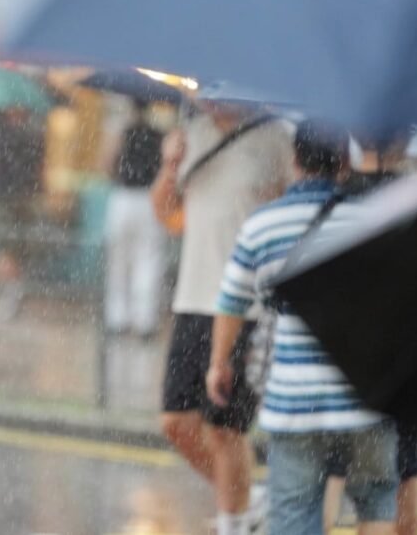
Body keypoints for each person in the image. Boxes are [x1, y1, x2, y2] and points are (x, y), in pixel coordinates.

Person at [208, 119, 399, 535]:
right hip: (366, 395)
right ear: (345, 164)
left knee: (294, 520)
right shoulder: (374, 220)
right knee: (377, 506)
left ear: (294, 162)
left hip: (296, 404)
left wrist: (219, 364)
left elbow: (231, 302)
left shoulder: (261, 225)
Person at [151, 98, 293, 535]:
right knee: (176, 422)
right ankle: (248, 500)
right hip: (193, 298)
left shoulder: (275, 137)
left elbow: (295, 212)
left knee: (224, 428)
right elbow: (165, 214)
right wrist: (170, 166)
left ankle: (234, 522)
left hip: (246, 305)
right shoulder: (190, 134)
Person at [319, 127, 417, 535]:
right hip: (402, 362)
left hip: (342, 357)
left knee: (332, 476)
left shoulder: (336, 198)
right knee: (401, 482)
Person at [105, 101, 166, 338]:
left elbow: (106, 163)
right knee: (148, 260)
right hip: (149, 199)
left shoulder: (121, 132)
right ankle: (145, 321)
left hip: (123, 198)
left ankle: (117, 318)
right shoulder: (158, 135)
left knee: (118, 260)